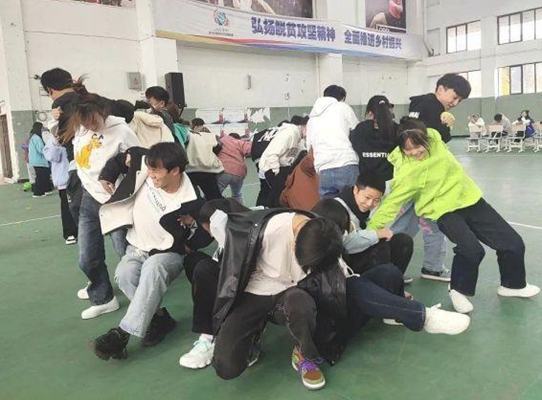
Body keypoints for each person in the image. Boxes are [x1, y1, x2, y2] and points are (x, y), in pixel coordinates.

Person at [367, 118, 540, 313]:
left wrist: (448, 119)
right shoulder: (407, 173)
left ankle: (512, 285)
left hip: (469, 199)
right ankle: (458, 290)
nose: (414, 152)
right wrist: (371, 230)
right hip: (443, 211)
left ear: (427, 138)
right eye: (408, 149)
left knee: (512, 242)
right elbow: (392, 203)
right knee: (471, 250)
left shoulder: (435, 137)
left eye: (418, 146)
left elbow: (436, 127)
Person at [91, 142, 212, 360]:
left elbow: (208, 230)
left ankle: (123, 333)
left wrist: (188, 245)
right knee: (124, 275)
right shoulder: (144, 164)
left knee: (153, 269)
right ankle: (159, 319)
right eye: (150, 168)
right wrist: (108, 175)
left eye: (156, 171)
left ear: (175, 171)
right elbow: (124, 157)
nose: (151, 174)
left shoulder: (192, 199)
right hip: (136, 247)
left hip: (168, 253)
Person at [311, 199, 471, 357]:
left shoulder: (331, 243)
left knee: (388, 272)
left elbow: (351, 244)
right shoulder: (308, 256)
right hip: (331, 331)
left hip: (348, 306)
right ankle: (424, 317)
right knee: (352, 285)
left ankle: (394, 312)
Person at [211, 208, 345, 390]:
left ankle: (303, 353)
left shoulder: (324, 237)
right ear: (294, 243)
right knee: (227, 368)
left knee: (301, 304)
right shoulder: (267, 231)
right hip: (253, 292)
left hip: (290, 291)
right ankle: (255, 332)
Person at [393, 73, 472, 282]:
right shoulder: (433, 107)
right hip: (424, 176)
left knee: (404, 223)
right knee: (431, 222)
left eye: (459, 101)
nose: (454, 103)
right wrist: (447, 125)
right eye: (454, 97)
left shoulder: (419, 104)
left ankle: (390, 267)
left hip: (412, 174)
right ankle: (432, 268)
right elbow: (439, 139)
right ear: (441, 88)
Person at [71, 93, 140, 319]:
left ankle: (142, 294)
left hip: (117, 200)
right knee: (87, 257)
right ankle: (103, 297)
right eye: (84, 122)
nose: (90, 126)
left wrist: (119, 176)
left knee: (125, 252)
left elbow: (140, 162)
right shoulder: (80, 129)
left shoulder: (121, 131)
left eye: (93, 120)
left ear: (103, 111)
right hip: (89, 198)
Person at [179, 198, 250, 370]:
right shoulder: (225, 236)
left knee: (204, 269)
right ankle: (210, 331)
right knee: (194, 261)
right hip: (230, 283)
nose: (211, 235)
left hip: (248, 290)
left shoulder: (246, 236)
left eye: (210, 229)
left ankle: (211, 335)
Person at [316, 175, 413, 280]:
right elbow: (342, 245)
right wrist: (376, 235)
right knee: (380, 248)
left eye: (376, 200)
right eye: (367, 197)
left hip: (357, 253)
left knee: (403, 241)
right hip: (339, 263)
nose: (370, 203)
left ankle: (395, 280)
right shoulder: (335, 210)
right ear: (356, 190)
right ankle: (376, 285)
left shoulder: (365, 208)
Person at [40, 68, 89, 222]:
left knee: (83, 219)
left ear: (50, 90)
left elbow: (62, 140)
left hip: (80, 166)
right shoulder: (89, 99)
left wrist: (54, 122)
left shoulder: (60, 105)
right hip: (104, 164)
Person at [306, 85, 359, 199]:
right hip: (346, 163)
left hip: (324, 169)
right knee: (352, 204)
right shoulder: (343, 107)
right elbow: (358, 131)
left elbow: (309, 147)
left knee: (329, 207)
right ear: (342, 98)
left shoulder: (312, 119)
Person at [258, 116, 309, 207]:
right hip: (271, 168)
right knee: (276, 197)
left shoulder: (299, 136)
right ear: (304, 125)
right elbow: (272, 153)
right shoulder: (290, 133)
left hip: (282, 167)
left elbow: (301, 151)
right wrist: (276, 172)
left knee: (278, 196)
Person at [350, 95, 397, 182]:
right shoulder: (396, 129)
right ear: (389, 110)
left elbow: (354, 145)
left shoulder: (360, 129)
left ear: (370, 113)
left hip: (366, 181)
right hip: (390, 180)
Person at [43, 128, 78, 244]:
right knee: (67, 207)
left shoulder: (78, 135)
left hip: (80, 177)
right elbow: (52, 157)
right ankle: (70, 233)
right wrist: (56, 143)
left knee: (83, 205)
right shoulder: (52, 140)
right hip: (64, 180)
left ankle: (85, 230)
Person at [185, 118, 224, 200]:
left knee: (191, 197)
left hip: (191, 168)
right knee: (214, 197)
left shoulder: (187, 134)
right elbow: (218, 147)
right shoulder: (210, 135)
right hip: (208, 169)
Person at [251, 121, 288, 206]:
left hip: (259, 161)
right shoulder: (285, 131)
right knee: (278, 188)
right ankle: (277, 208)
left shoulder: (262, 133)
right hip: (272, 160)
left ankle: (260, 208)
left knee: (264, 187)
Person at [216, 133, 252, 205]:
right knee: (237, 195)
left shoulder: (222, 140)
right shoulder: (240, 142)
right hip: (239, 172)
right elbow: (249, 151)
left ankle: (212, 210)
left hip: (224, 170)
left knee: (216, 194)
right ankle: (242, 210)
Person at [28, 122, 53, 198]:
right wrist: (48, 150)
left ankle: (45, 190)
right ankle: (37, 192)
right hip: (39, 160)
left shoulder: (32, 137)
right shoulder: (37, 138)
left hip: (35, 160)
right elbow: (41, 149)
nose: (43, 130)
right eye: (42, 128)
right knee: (40, 177)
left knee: (43, 175)